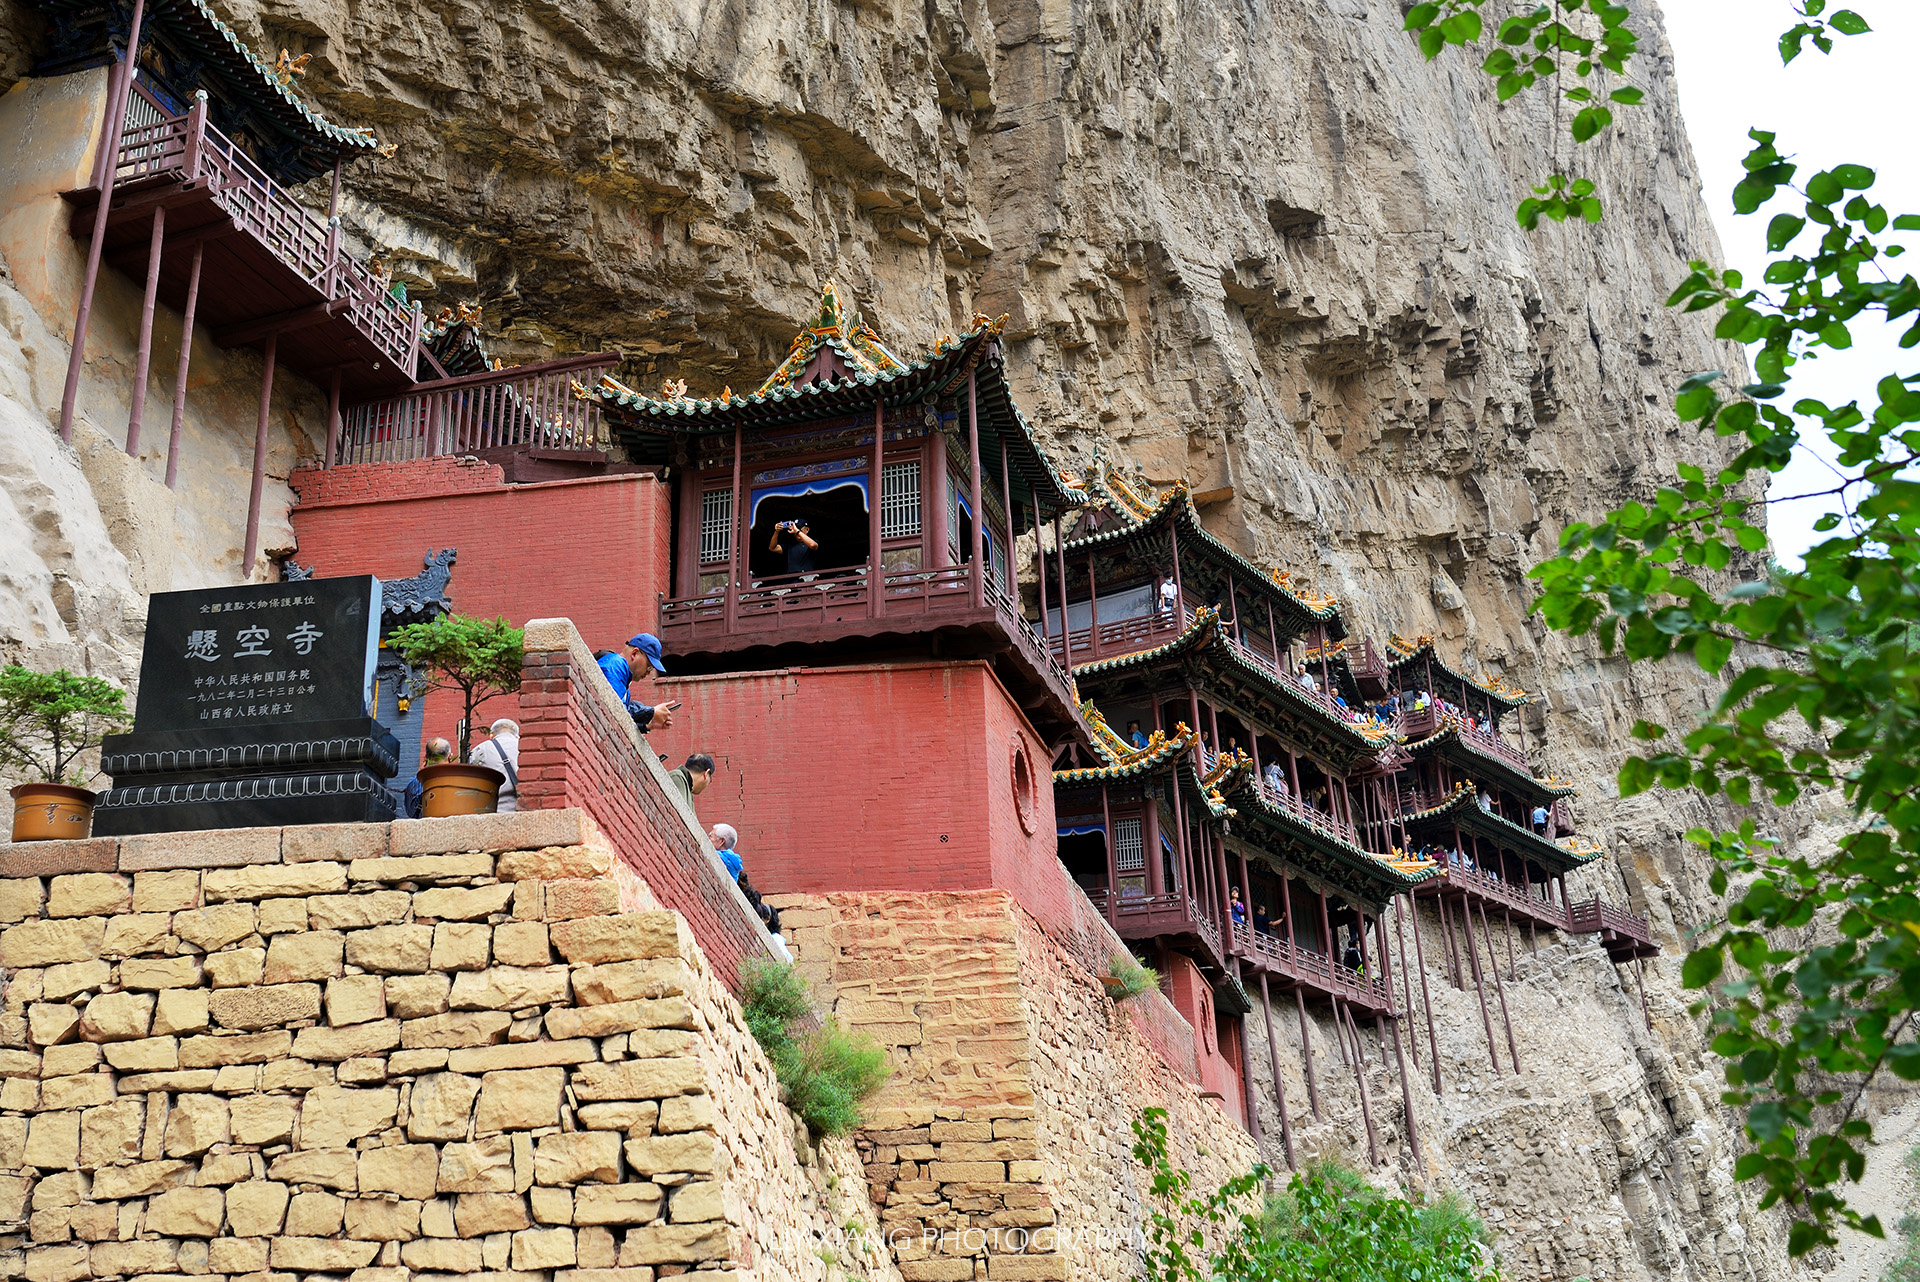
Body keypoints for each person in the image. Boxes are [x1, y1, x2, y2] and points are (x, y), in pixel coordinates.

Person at [598, 633, 675, 732]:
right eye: (649, 666)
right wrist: (652, 713)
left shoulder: (623, 681)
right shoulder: (616, 665)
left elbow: (623, 717)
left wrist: (647, 725)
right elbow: (613, 709)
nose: (648, 672)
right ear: (634, 653)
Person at [469, 718, 519, 812]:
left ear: (492, 735)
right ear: (516, 736)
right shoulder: (523, 747)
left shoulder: (480, 749)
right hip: (519, 809)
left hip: (491, 810)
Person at [402, 737, 451, 819]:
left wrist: (421, 776)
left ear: (425, 758)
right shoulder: (455, 782)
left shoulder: (413, 784)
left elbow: (410, 813)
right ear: (450, 757)